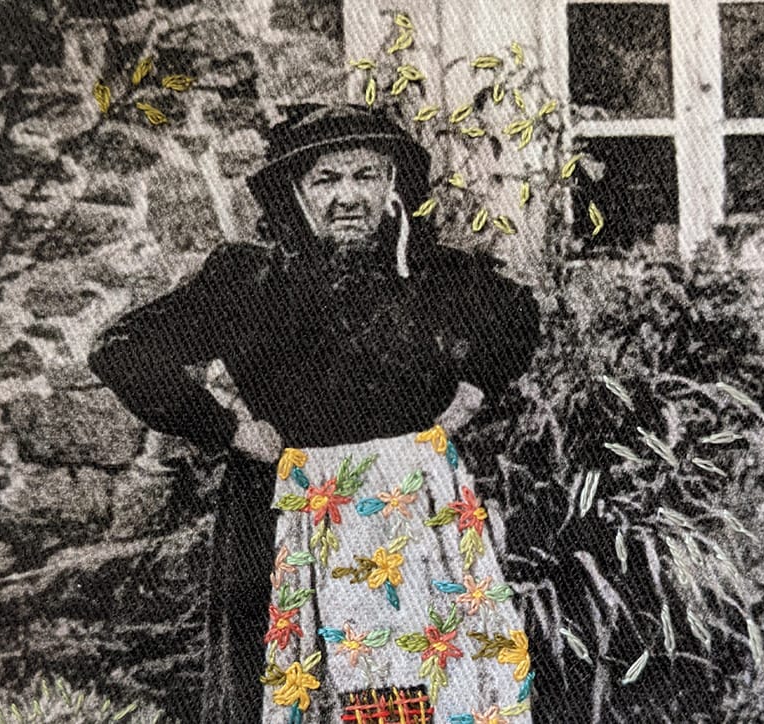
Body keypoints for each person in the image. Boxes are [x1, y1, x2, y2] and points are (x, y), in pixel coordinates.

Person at [88, 103, 541, 723]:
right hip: (285, 514)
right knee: (297, 691)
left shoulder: (431, 273)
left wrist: (472, 392)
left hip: (416, 516)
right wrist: (229, 429)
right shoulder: (248, 282)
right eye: (326, 179)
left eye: (366, 176)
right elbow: (122, 350)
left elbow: (517, 317)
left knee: (426, 687)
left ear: (391, 185)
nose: (348, 197)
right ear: (296, 192)